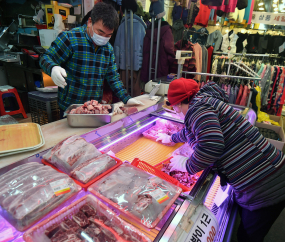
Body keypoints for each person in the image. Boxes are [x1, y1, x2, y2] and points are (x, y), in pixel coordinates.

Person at [156, 78, 285, 242]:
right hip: (267, 172)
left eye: (174, 106)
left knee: (248, 237)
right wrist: (172, 138)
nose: (176, 111)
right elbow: (197, 129)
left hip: (264, 185)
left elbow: (212, 146)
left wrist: (187, 165)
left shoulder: (197, 110)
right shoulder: (205, 102)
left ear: (180, 103)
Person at [40, 2, 143, 118]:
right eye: (100, 32)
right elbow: (45, 57)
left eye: (108, 35)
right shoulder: (70, 39)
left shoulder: (108, 49)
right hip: (70, 110)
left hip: (94, 110)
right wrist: (53, 68)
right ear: (90, 22)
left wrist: (126, 99)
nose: (103, 38)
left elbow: (113, 77)